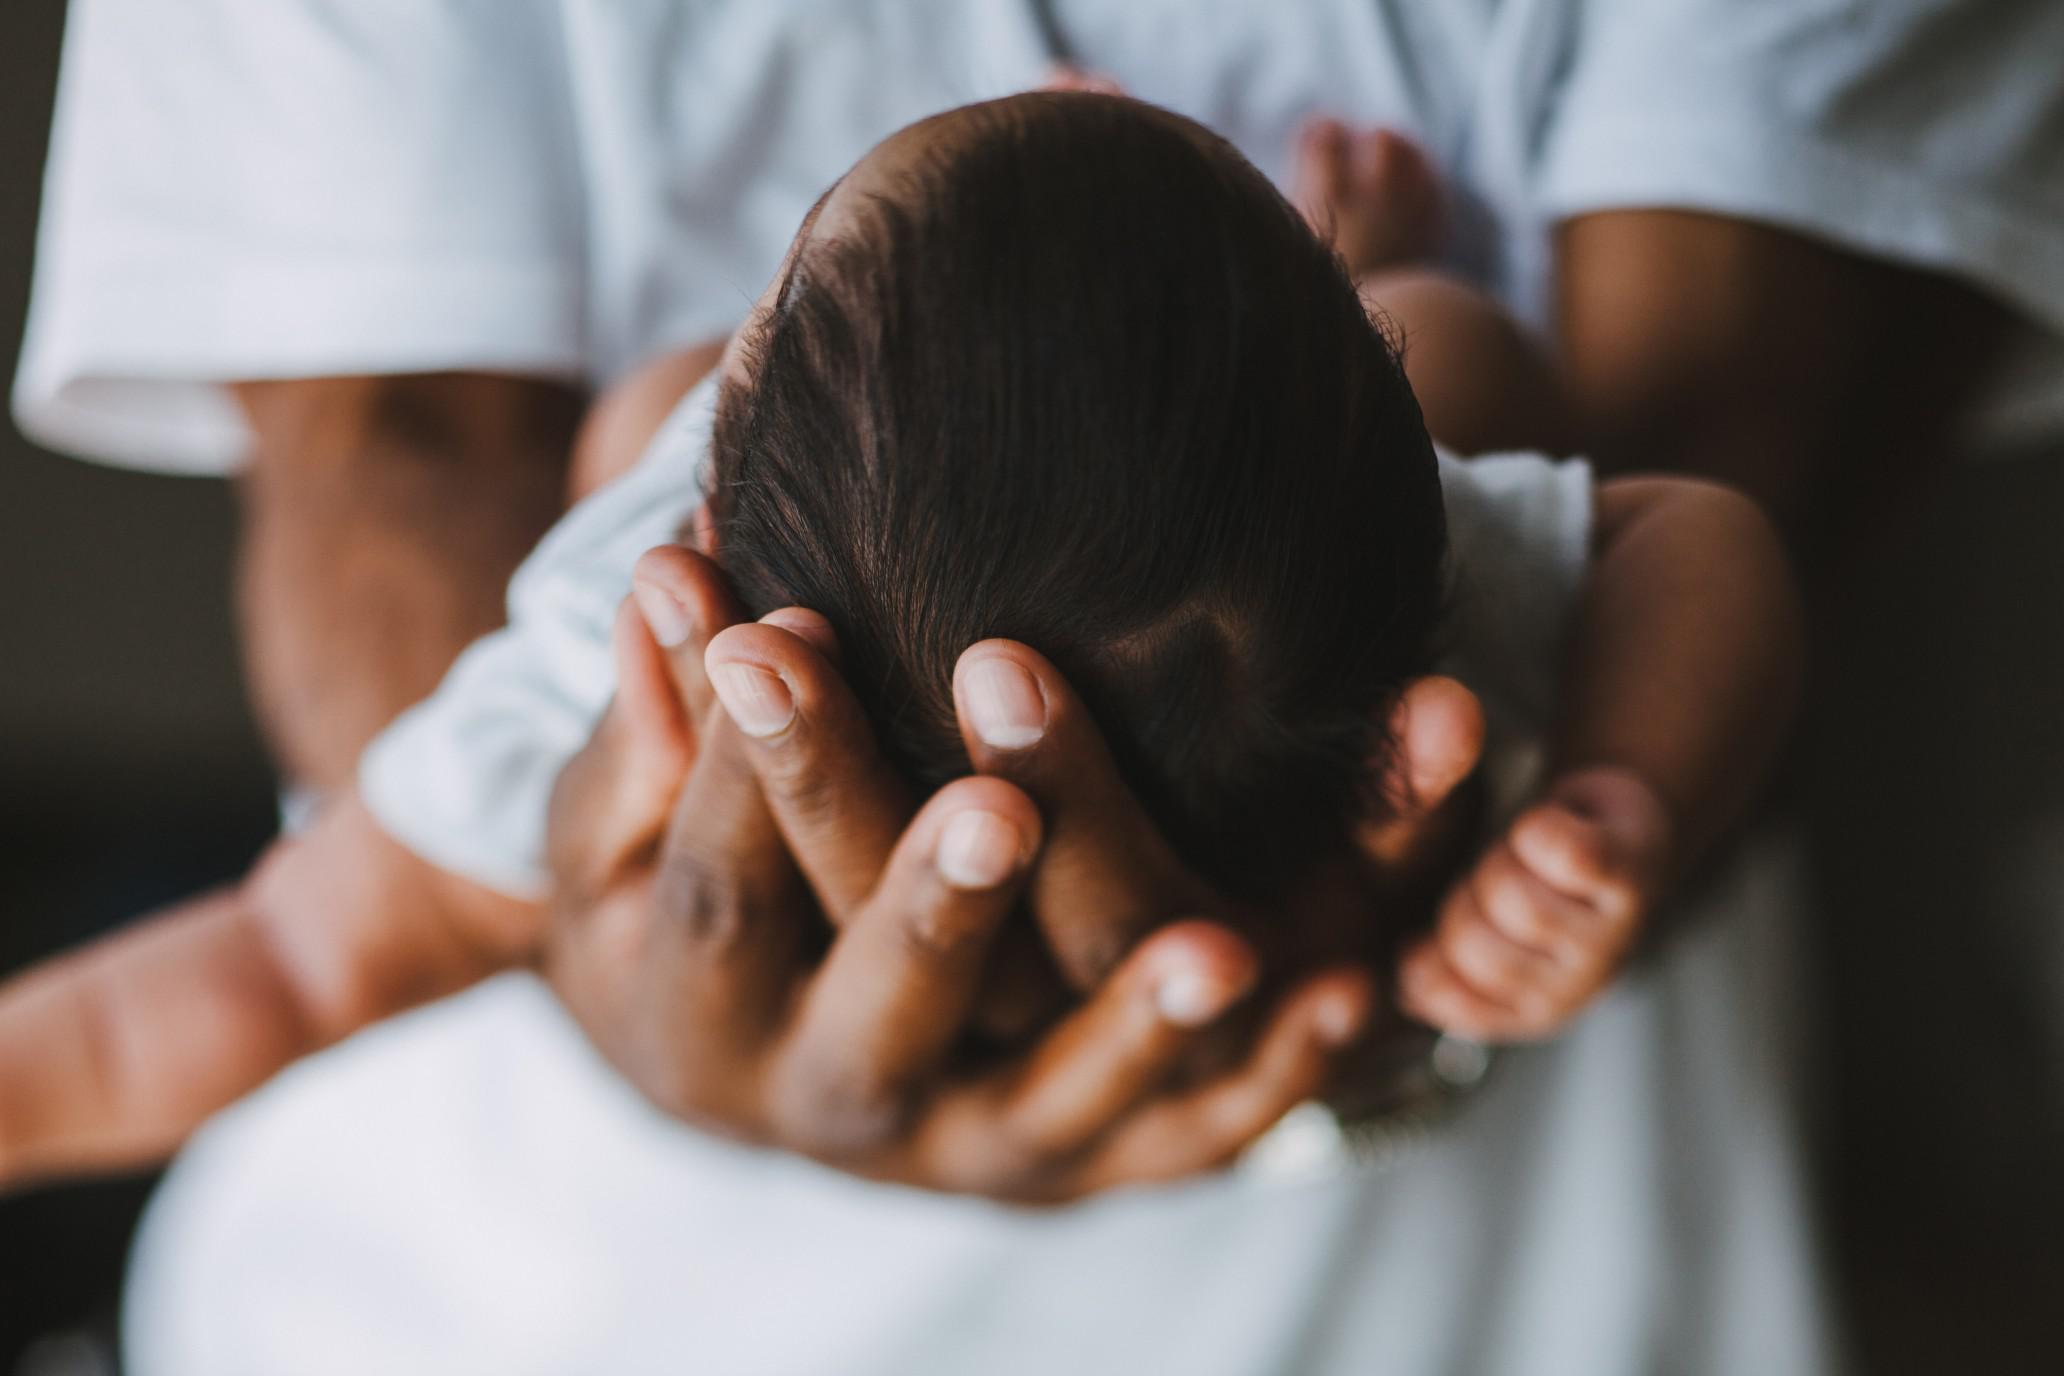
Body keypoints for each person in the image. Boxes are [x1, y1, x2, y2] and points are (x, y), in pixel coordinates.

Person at [0, 91, 1797, 1185]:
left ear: (712, 496)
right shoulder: (1441, 588)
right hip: (1302, 1053)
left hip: (1134, 1075)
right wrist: (1619, 807)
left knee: (634, 394)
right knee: (1469, 344)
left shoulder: (613, 623)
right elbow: (1704, 549)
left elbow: (281, 973)